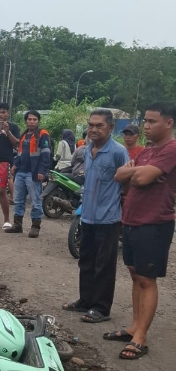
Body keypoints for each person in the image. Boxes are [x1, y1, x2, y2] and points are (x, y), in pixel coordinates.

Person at [111, 103, 176, 359]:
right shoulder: (148, 152)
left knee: (147, 280)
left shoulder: (171, 150)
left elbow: (138, 179)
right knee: (135, 275)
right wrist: (136, 172)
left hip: (155, 223)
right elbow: (119, 175)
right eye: (145, 121)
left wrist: (134, 173)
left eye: (152, 122)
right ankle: (134, 326)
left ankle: (141, 337)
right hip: (132, 220)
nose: (146, 126)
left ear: (168, 123)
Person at [62, 110, 129, 324]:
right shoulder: (87, 149)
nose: (93, 129)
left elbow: (127, 183)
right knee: (86, 260)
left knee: (104, 265)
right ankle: (85, 300)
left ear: (110, 128)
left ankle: (101, 308)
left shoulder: (118, 152)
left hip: (109, 219)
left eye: (99, 125)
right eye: (91, 125)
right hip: (88, 216)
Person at [5, 111, 50, 238]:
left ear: (38, 121)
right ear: (26, 121)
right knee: (18, 200)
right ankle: (17, 225)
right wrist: (14, 165)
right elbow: (19, 153)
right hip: (21, 172)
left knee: (35, 201)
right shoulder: (25, 135)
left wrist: (42, 171)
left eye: (34, 119)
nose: (32, 121)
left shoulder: (42, 135)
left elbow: (46, 155)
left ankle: (35, 227)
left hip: (33, 173)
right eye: (29, 119)